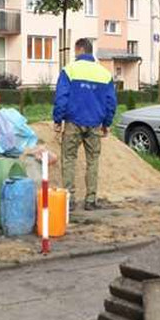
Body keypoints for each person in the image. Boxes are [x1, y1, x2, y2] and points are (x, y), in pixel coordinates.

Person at [53, 38, 117, 211]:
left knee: (69, 159)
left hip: (73, 122)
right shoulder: (104, 74)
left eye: (75, 52)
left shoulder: (69, 70)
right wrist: (107, 123)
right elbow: (111, 102)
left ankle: (69, 199)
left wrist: (58, 120)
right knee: (93, 160)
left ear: (80, 50)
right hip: (95, 123)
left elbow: (61, 97)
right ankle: (90, 200)